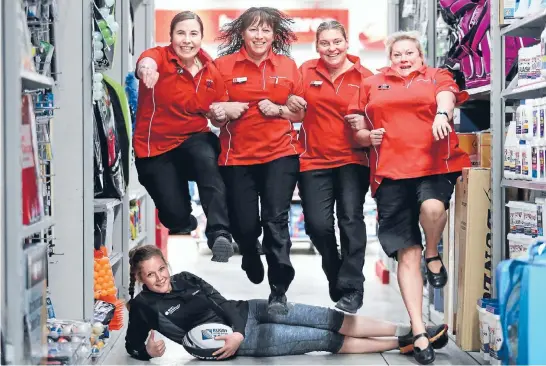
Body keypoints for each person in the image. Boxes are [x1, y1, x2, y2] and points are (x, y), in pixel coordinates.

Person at [347, 31, 471, 364]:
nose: (404, 58)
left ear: (421, 55)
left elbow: (448, 95)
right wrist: (365, 135)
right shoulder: (372, 83)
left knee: (433, 208)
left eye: (410, 53)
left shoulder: (436, 76)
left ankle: (434, 251)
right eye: (398, 54)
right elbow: (356, 130)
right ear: (390, 58)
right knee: (407, 253)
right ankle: (418, 331)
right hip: (390, 173)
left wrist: (442, 115)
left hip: (433, 164)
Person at [125, 245, 449, 361]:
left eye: (161, 269)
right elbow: (132, 345)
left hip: (247, 311)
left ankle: (413, 330)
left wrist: (237, 328)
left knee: (328, 318)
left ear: (167, 265)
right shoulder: (143, 307)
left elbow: (221, 302)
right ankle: (401, 343)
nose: (159, 278)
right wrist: (146, 353)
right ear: (140, 279)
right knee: (323, 340)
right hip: (244, 341)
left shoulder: (185, 278)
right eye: (150, 275)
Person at [208, 7, 305, 314]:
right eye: (253, 30)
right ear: (242, 33)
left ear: (275, 35)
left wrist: (282, 110)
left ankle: (279, 289)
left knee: (275, 221)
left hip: (280, 154)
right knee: (245, 224)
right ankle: (249, 252)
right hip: (237, 158)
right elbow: (211, 110)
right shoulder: (222, 66)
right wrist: (222, 109)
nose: (260, 36)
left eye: (266, 30)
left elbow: (300, 113)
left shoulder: (289, 66)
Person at [285, 21, 373, 314]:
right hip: (312, 160)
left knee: (350, 218)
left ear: (346, 42)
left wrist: (365, 122)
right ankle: (334, 268)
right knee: (318, 226)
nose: (331, 48)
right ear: (317, 46)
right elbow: (289, 102)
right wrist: (290, 100)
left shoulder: (365, 77)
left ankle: (352, 287)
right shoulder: (305, 71)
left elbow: (379, 117)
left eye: (337, 42)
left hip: (352, 158)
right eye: (325, 43)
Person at [133, 11, 234, 262]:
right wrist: (146, 70)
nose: (186, 40)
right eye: (181, 33)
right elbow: (145, 62)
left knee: (206, 155)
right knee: (175, 219)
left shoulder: (211, 72)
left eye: (193, 34)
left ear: (201, 37)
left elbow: (217, 120)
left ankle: (219, 233)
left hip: (192, 140)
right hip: (155, 149)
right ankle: (184, 219)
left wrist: (220, 115)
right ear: (171, 37)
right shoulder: (158, 57)